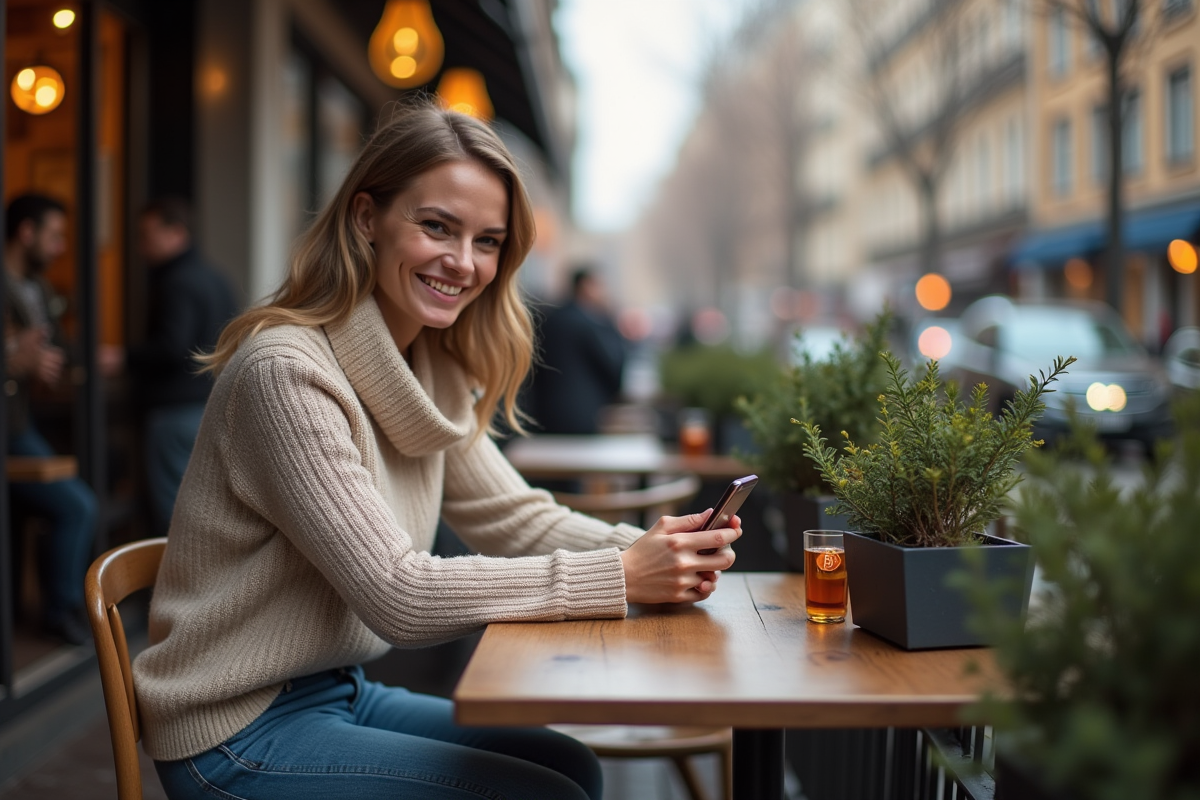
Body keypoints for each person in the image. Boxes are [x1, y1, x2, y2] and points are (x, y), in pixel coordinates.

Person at [134, 100, 741, 800]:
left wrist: (656, 551)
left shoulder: (429, 367)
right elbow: (400, 594)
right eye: (436, 227)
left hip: (335, 690)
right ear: (367, 219)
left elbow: (517, 518)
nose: (463, 262)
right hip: (232, 732)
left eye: (488, 241)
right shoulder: (287, 373)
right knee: (544, 794)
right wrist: (622, 576)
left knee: (572, 767)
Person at [100, 197, 238, 535]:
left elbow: (174, 347)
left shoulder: (178, 281)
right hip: (209, 404)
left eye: (146, 235)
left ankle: (175, 587)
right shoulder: (216, 277)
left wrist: (123, 357)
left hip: (175, 411)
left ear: (176, 233)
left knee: (175, 516)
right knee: (203, 507)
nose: (140, 246)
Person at [4, 193, 98, 646]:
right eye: (54, 235)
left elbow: (57, 347)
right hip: (11, 429)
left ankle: (46, 608)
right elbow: (16, 356)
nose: (61, 247)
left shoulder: (39, 290)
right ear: (26, 232)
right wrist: (12, 359)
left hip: (25, 423)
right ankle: (60, 610)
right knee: (77, 506)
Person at [527, 268, 627, 435]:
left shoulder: (549, 318)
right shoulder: (591, 324)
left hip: (543, 412)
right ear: (585, 286)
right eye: (599, 285)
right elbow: (613, 365)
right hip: (582, 414)